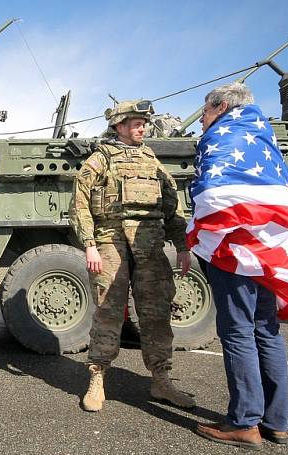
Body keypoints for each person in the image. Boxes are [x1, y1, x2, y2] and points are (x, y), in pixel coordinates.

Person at [189, 83, 288, 449]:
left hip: (238, 249)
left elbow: (213, 193)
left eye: (206, 110)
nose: (202, 118)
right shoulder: (264, 140)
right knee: (266, 330)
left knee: (238, 331)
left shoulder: (224, 139)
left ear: (223, 106)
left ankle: (244, 422)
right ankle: (276, 422)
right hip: (270, 251)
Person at [69, 100, 195, 412]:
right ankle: (97, 378)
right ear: (119, 126)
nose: (142, 128)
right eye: (136, 123)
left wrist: (182, 246)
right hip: (110, 242)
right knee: (108, 311)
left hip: (150, 245)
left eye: (143, 123)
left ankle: (162, 380)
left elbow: (172, 204)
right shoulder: (101, 159)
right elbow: (80, 202)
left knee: (156, 313)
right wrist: (89, 243)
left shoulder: (152, 159)